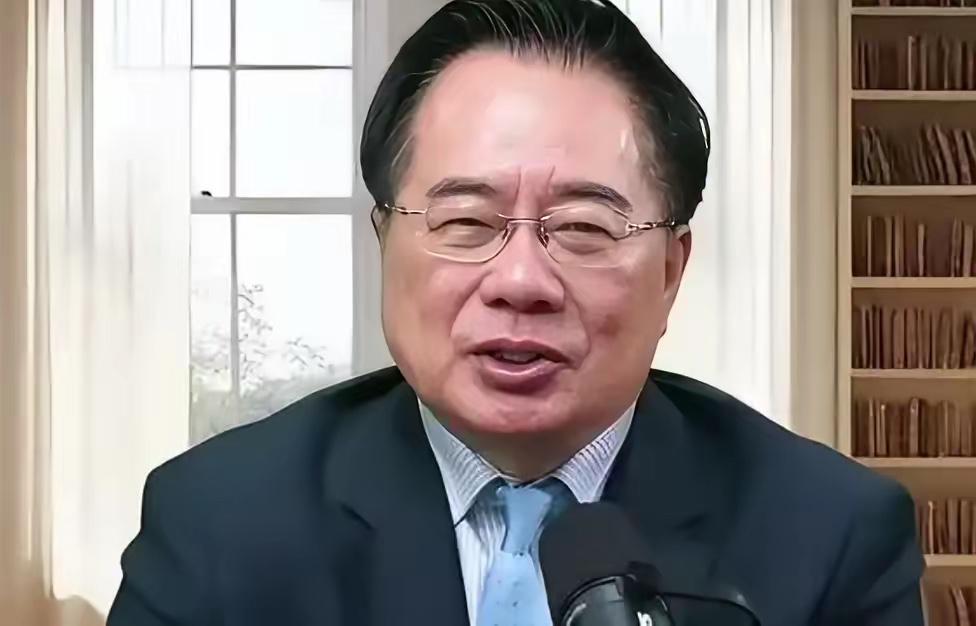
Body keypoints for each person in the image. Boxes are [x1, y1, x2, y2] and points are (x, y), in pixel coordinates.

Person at [107, 1, 925, 625]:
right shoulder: (217, 526)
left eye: (584, 228)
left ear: (671, 272)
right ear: (384, 244)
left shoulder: (832, 537)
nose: (522, 280)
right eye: (466, 221)